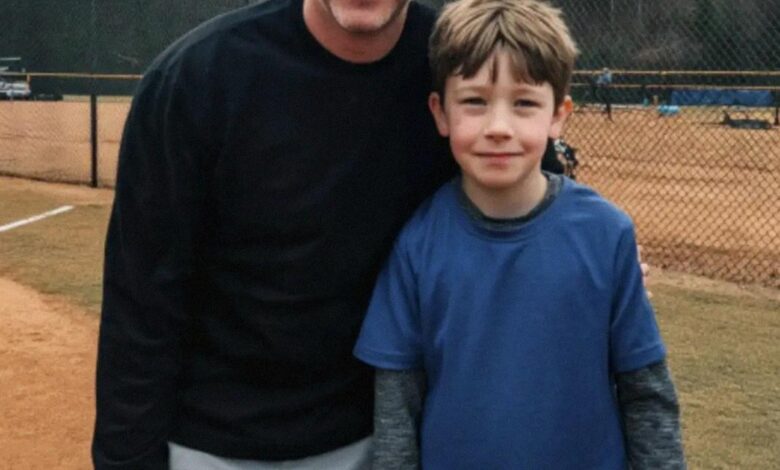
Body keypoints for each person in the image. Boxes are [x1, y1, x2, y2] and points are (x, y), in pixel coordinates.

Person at [91, 0, 649, 468]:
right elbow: (142, 299)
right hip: (210, 443)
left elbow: (533, 203)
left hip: (373, 439)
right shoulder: (197, 79)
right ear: (439, 111)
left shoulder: (460, 59)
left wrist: (600, 260)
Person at [352, 0, 685, 468]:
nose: (499, 128)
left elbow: (647, 393)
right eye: (474, 101)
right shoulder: (417, 245)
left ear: (558, 115)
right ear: (440, 113)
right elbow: (397, 409)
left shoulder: (606, 235)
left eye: (524, 103)